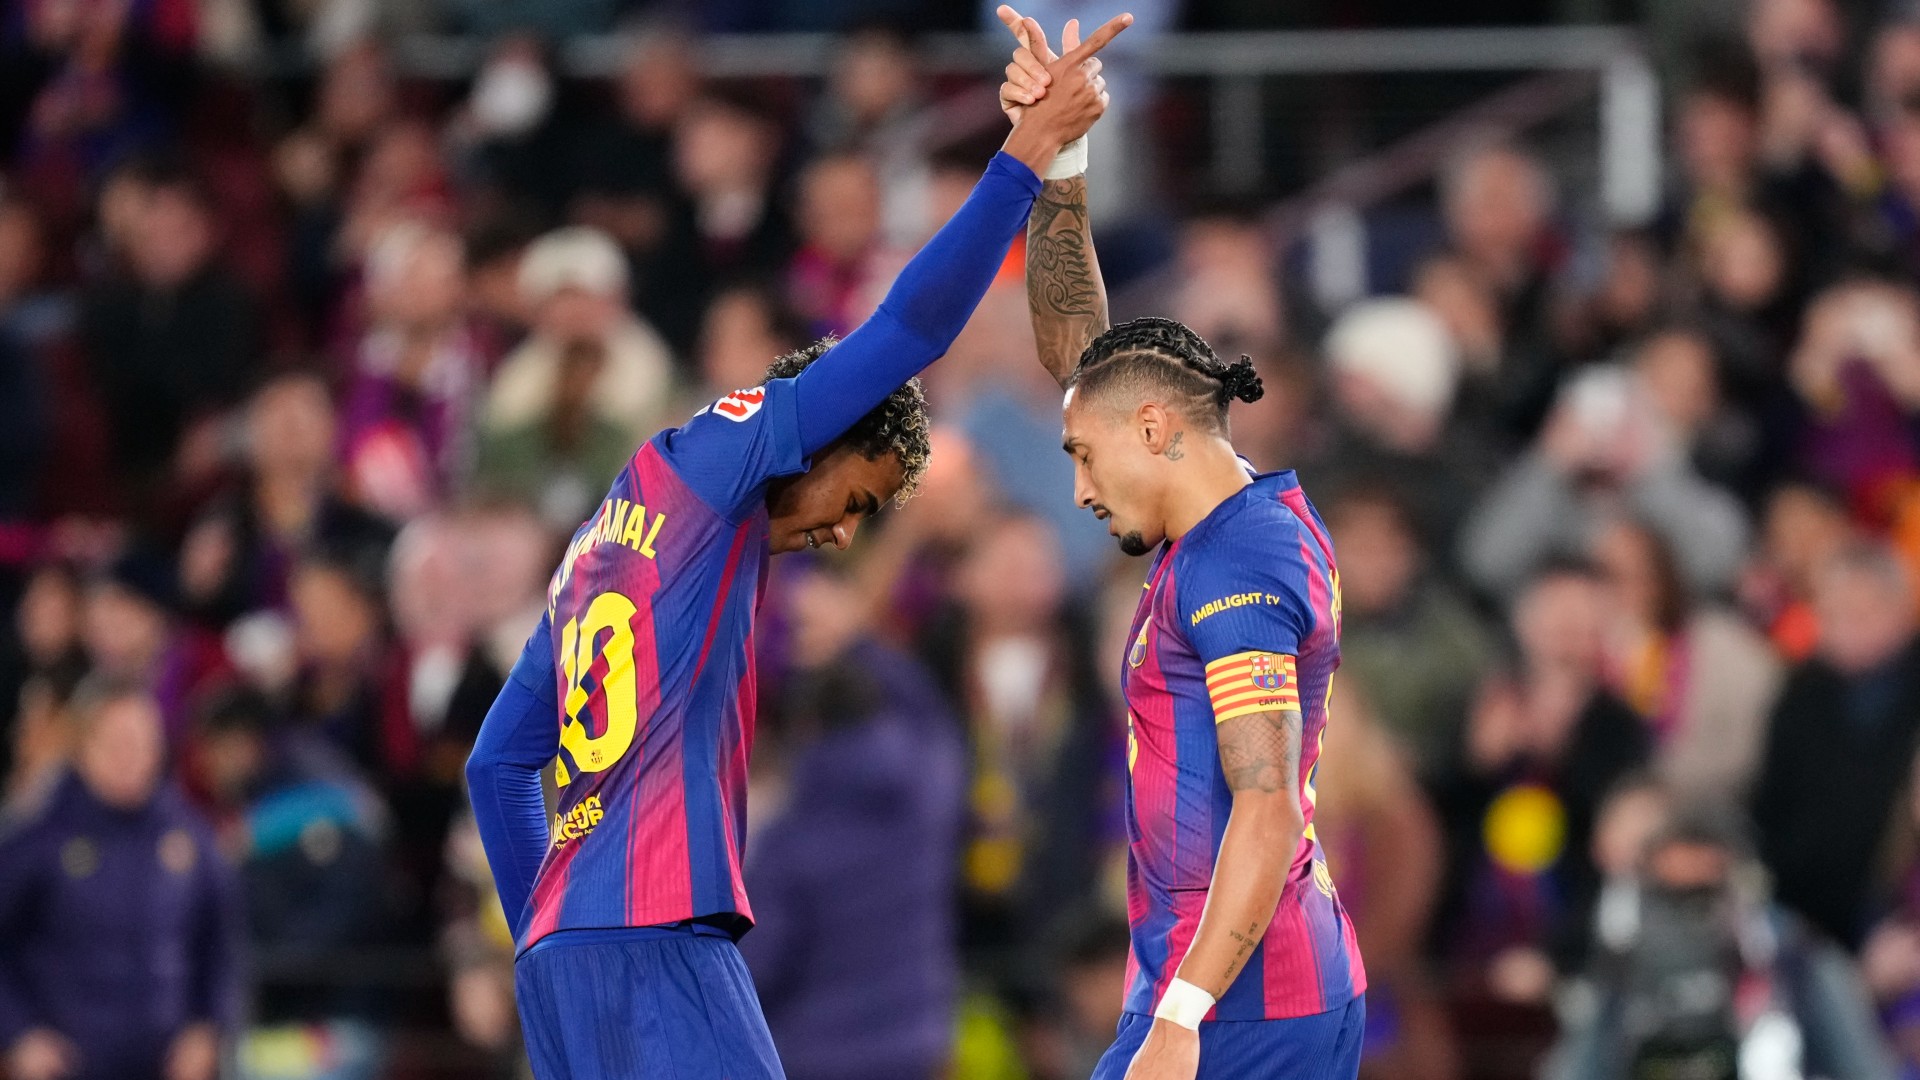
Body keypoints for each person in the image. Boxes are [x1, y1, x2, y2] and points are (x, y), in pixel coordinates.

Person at [465, 29, 1125, 1079]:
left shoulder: (605, 534)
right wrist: (1027, 154)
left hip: (563, 966)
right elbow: (909, 331)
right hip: (659, 931)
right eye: (855, 498)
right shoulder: (731, 447)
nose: (842, 532)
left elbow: (499, 763)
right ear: (816, 437)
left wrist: (544, 928)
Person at [999, 13, 1365, 1079]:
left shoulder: (1236, 570)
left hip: (1242, 1005)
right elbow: (1085, 362)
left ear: (1155, 430)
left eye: (1084, 458)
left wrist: (1183, 1016)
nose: (1078, 490)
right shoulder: (1228, 518)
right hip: (1242, 985)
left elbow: (1265, 805)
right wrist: (1058, 155)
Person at [0, 680, 241, 1080]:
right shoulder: (37, 838)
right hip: (70, 1064)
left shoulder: (190, 837)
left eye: (142, 743)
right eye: (117, 743)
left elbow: (220, 945)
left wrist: (208, 1027)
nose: (131, 757)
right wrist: (18, 1033)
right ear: (83, 748)